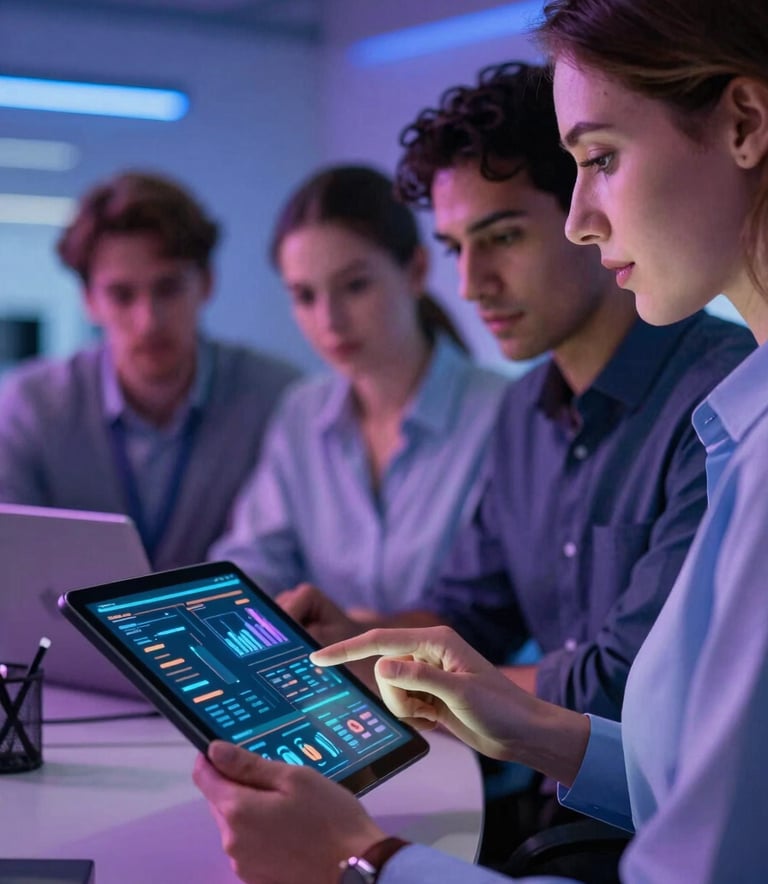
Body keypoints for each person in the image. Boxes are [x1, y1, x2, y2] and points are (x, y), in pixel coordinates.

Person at [192, 0, 768, 881]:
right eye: (455, 245)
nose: (584, 218)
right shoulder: (543, 413)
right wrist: (378, 645)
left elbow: (669, 782)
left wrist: (362, 865)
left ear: (745, 124)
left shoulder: (727, 415)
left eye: (601, 160)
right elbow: (689, 776)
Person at [209, 165, 511, 614]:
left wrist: (370, 638)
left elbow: (497, 607)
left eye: (354, 286)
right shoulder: (301, 412)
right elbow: (253, 561)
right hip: (325, 675)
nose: (329, 320)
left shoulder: (503, 413)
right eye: (305, 296)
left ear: (416, 270)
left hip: (453, 682)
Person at [0, 170, 300, 570]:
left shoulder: (277, 400)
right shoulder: (30, 407)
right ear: (89, 300)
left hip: (219, 628)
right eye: (122, 295)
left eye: (169, 288)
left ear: (207, 283)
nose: (148, 321)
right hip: (67, 631)